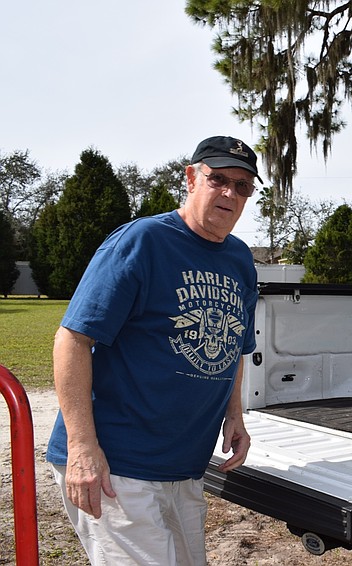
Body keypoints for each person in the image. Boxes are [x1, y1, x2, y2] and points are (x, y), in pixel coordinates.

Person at [46, 135, 261, 565]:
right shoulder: (143, 241)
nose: (229, 193)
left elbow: (235, 344)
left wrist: (233, 414)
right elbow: (72, 339)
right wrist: (83, 448)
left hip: (183, 466)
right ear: (190, 179)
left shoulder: (239, 259)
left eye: (242, 186)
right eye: (218, 179)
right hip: (117, 464)